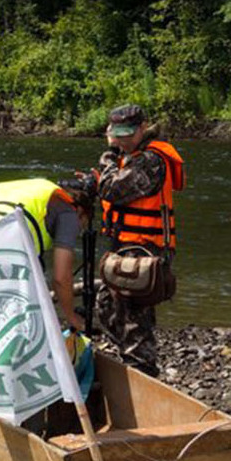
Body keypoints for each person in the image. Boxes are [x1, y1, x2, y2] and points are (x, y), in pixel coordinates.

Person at [90, 103, 183, 376]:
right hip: (128, 246)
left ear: (142, 128)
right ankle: (132, 363)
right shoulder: (131, 156)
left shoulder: (151, 160)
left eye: (127, 132)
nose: (122, 138)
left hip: (145, 251)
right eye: (117, 132)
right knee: (107, 305)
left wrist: (107, 156)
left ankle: (142, 372)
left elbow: (111, 189)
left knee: (134, 317)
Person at [0, 177, 91, 333]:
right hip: (3, 257)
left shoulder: (20, 189)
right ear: (81, 212)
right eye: (82, 225)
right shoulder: (69, 211)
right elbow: (61, 278)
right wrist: (72, 318)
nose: (78, 232)